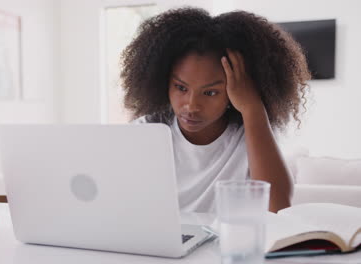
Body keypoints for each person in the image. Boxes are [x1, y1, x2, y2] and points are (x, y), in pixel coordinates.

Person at [120, 7, 311, 213]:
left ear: (236, 91)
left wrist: (253, 107)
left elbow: (278, 208)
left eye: (210, 93)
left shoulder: (249, 138)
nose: (191, 106)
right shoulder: (146, 132)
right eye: (181, 88)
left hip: (225, 244)